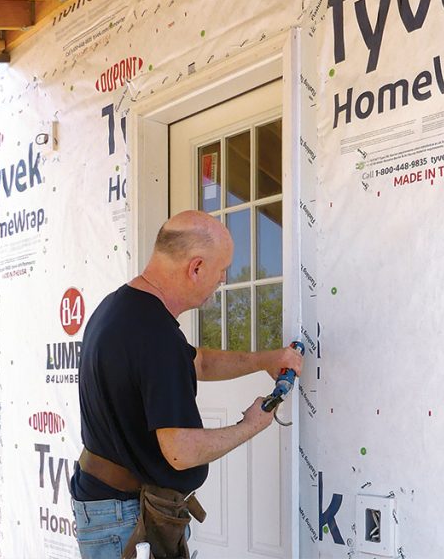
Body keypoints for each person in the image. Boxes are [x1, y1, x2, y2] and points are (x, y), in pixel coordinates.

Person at [69, 210, 302, 559]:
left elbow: (199, 362)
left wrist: (265, 360)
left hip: (111, 510)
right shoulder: (154, 334)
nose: (223, 279)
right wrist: (251, 424)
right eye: (220, 269)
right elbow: (181, 451)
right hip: (126, 521)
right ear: (195, 268)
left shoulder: (122, 308)